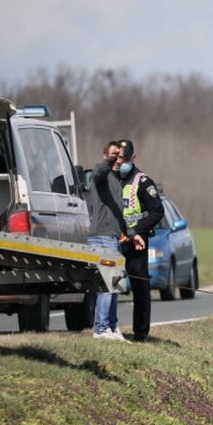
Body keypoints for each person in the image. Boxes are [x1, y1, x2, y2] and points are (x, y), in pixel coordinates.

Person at [114, 139, 164, 342]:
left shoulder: (142, 182)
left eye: (125, 158)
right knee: (109, 285)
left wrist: (136, 232)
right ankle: (107, 328)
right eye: (118, 158)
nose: (121, 162)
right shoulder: (110, 179)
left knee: (140, 287)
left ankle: (140, 332)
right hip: (113, 240)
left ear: (133, 158)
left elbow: (157, 211)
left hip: (136, 243)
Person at [86, 141, 130, 340]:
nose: (118, 160)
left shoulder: (116, 180)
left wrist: (131, 234)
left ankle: (111, 327)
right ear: (105, 156)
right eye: (114, 155)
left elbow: (119, 213)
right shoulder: (100, 175)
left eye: (120, 157)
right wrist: (111, 159)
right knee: (108, 284)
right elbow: (99, 170)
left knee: (115, 284)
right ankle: (101, 329)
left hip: (112, 237)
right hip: (101, 237)